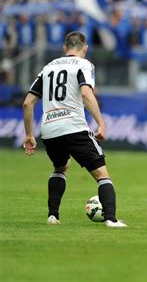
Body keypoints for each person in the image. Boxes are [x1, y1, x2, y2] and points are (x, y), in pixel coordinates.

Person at [22, 31, 127, 228]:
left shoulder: (48, 67)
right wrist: (101, 123)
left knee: (60, 167)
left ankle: (53, 216)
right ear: (85, 49)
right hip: (73, 126)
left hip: (50, 129)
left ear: (64, 48)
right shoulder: (84, 64)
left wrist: (29, 134)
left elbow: (28, 103)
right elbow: (86, 93)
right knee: (102, 175)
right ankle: (111, 219)